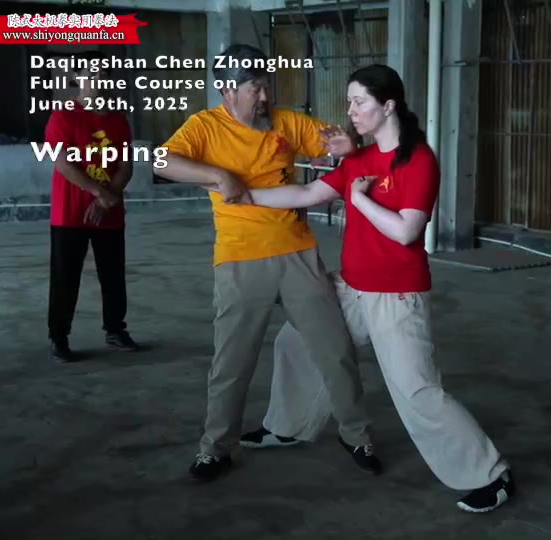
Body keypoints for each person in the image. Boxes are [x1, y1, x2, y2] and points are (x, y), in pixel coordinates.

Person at [211, 64, 516, 513]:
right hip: (351, 287)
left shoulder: (418, 160)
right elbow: (306, 195)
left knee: (416, 390)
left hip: (396, 294)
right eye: (349, 102)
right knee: (296, 342)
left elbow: (407, 231)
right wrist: (243, 194)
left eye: (359, 102)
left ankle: (490, 474)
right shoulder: (361, 159)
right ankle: (288, 427)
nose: (350, 111)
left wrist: (358, 199)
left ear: (388, 105)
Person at [152, 44, 380, 482]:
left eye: (266, 86)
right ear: (227, 90)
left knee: (335, 350)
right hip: (240, 258)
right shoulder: (204, 127)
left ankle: (356, 435)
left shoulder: (286, 122)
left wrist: (345, 145)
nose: (264, 96)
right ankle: (216, 448)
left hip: (298, 253)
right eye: (254, 88)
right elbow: (163, 161)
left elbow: (334, 142)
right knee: (232, 363)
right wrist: (219, 175)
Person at [46, 50, 141, 363]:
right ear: (77, 77)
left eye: (104, 73)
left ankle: (115, 330)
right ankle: (59, 336)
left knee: (113, 275)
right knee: (65, 277)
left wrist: (106, 198)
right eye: (92, 73)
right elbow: (62, 163)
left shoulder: (118, 121)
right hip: (70, 213)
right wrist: (99, 193)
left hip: (110, 213)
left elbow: (125, 166)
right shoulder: (63, 116)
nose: (99, 79)